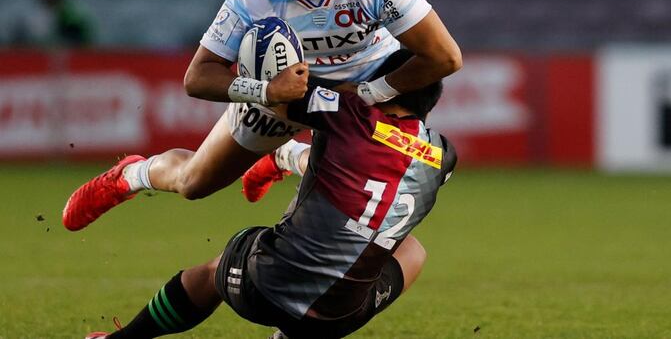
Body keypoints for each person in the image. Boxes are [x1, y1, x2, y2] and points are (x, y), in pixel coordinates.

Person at [62, 0, 461, 231]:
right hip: (285, 92)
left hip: (367, 85)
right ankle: (131, 175)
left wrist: (365, 93)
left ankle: (287, 159)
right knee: (194, 183)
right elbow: (197, 77)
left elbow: (445, 57)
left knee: (384, 168)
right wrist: (266, 91)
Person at [84, 49, 457, 339]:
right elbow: (374, 167)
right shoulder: (443, 155)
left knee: (213, 271)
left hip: (264, 290)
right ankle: (284, 158)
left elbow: (282, 94)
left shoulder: (351, 116)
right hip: (339, 319)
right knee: (412, 249)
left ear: (385, 85)